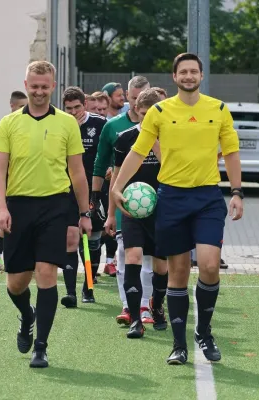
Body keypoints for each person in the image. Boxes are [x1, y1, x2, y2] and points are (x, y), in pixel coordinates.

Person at [111, 52, 243, 365]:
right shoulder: (159, 111)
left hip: (208, 198)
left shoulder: (219, 109)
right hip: (171, 198)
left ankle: (205, 333)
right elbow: (137, 152)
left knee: (210, 266)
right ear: (174, 77)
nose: (188, 76)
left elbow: (233, 153)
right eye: (182, 71)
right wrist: (117, 186)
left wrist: (236, 192)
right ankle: (179, 344)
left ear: (201, 75)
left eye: (193, 71)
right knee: (178, 272)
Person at [0, 61, 91, 368]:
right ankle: (27, 316)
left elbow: (77, 172)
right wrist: (1, 207)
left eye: (44, 86)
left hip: (55, 206)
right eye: (33, 86)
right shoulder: (8, 123)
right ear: (26, 83)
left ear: (53, 86)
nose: (38, 91)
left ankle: (42, 348)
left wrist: (83, 213)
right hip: (18, 207)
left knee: (47, 273)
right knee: (16, 283)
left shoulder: (67, 123)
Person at [105, 87, 168, 337]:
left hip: (163, 209)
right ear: (135, 111)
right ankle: (134, 318)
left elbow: (174, 170)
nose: (147, 120)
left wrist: (156, 143)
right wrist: (111, 214)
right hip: (132, 209)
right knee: (133, 257)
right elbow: (117, 177)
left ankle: (158, 306)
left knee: (162, 268)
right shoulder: (125, 138)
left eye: (152, 115)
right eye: (143, 114)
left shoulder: (171, 138)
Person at [93, 76, 151, 279]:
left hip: (157, 200)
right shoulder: (113, 127)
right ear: (127, 96)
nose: (136, 102)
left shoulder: (164, 127)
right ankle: (130, 304)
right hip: (123, 200)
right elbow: (100, 165)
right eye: (133, 97)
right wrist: (94, 199)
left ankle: (151, 301)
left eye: (141, 97)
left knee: (153, 259)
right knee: (127, 253)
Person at [61, 86, 107, 306]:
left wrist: (111, 168)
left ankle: (88, 286)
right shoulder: (60, 124)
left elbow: (112, 151)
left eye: (77, 107)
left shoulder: (100, 124)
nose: (73, 112)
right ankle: (70, 292)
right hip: (67, 190)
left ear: (85, 104)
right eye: (68, 108)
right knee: (71, 239)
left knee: (92, 239)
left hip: (95, 189)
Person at [0, 91, 28, 270]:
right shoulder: (2, 126)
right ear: (11, 106)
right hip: (9, 184)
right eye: (21, 106)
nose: (24, 110)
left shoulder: (27, 125)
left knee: (15, 220)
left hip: (23, 181)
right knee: (10, 220)